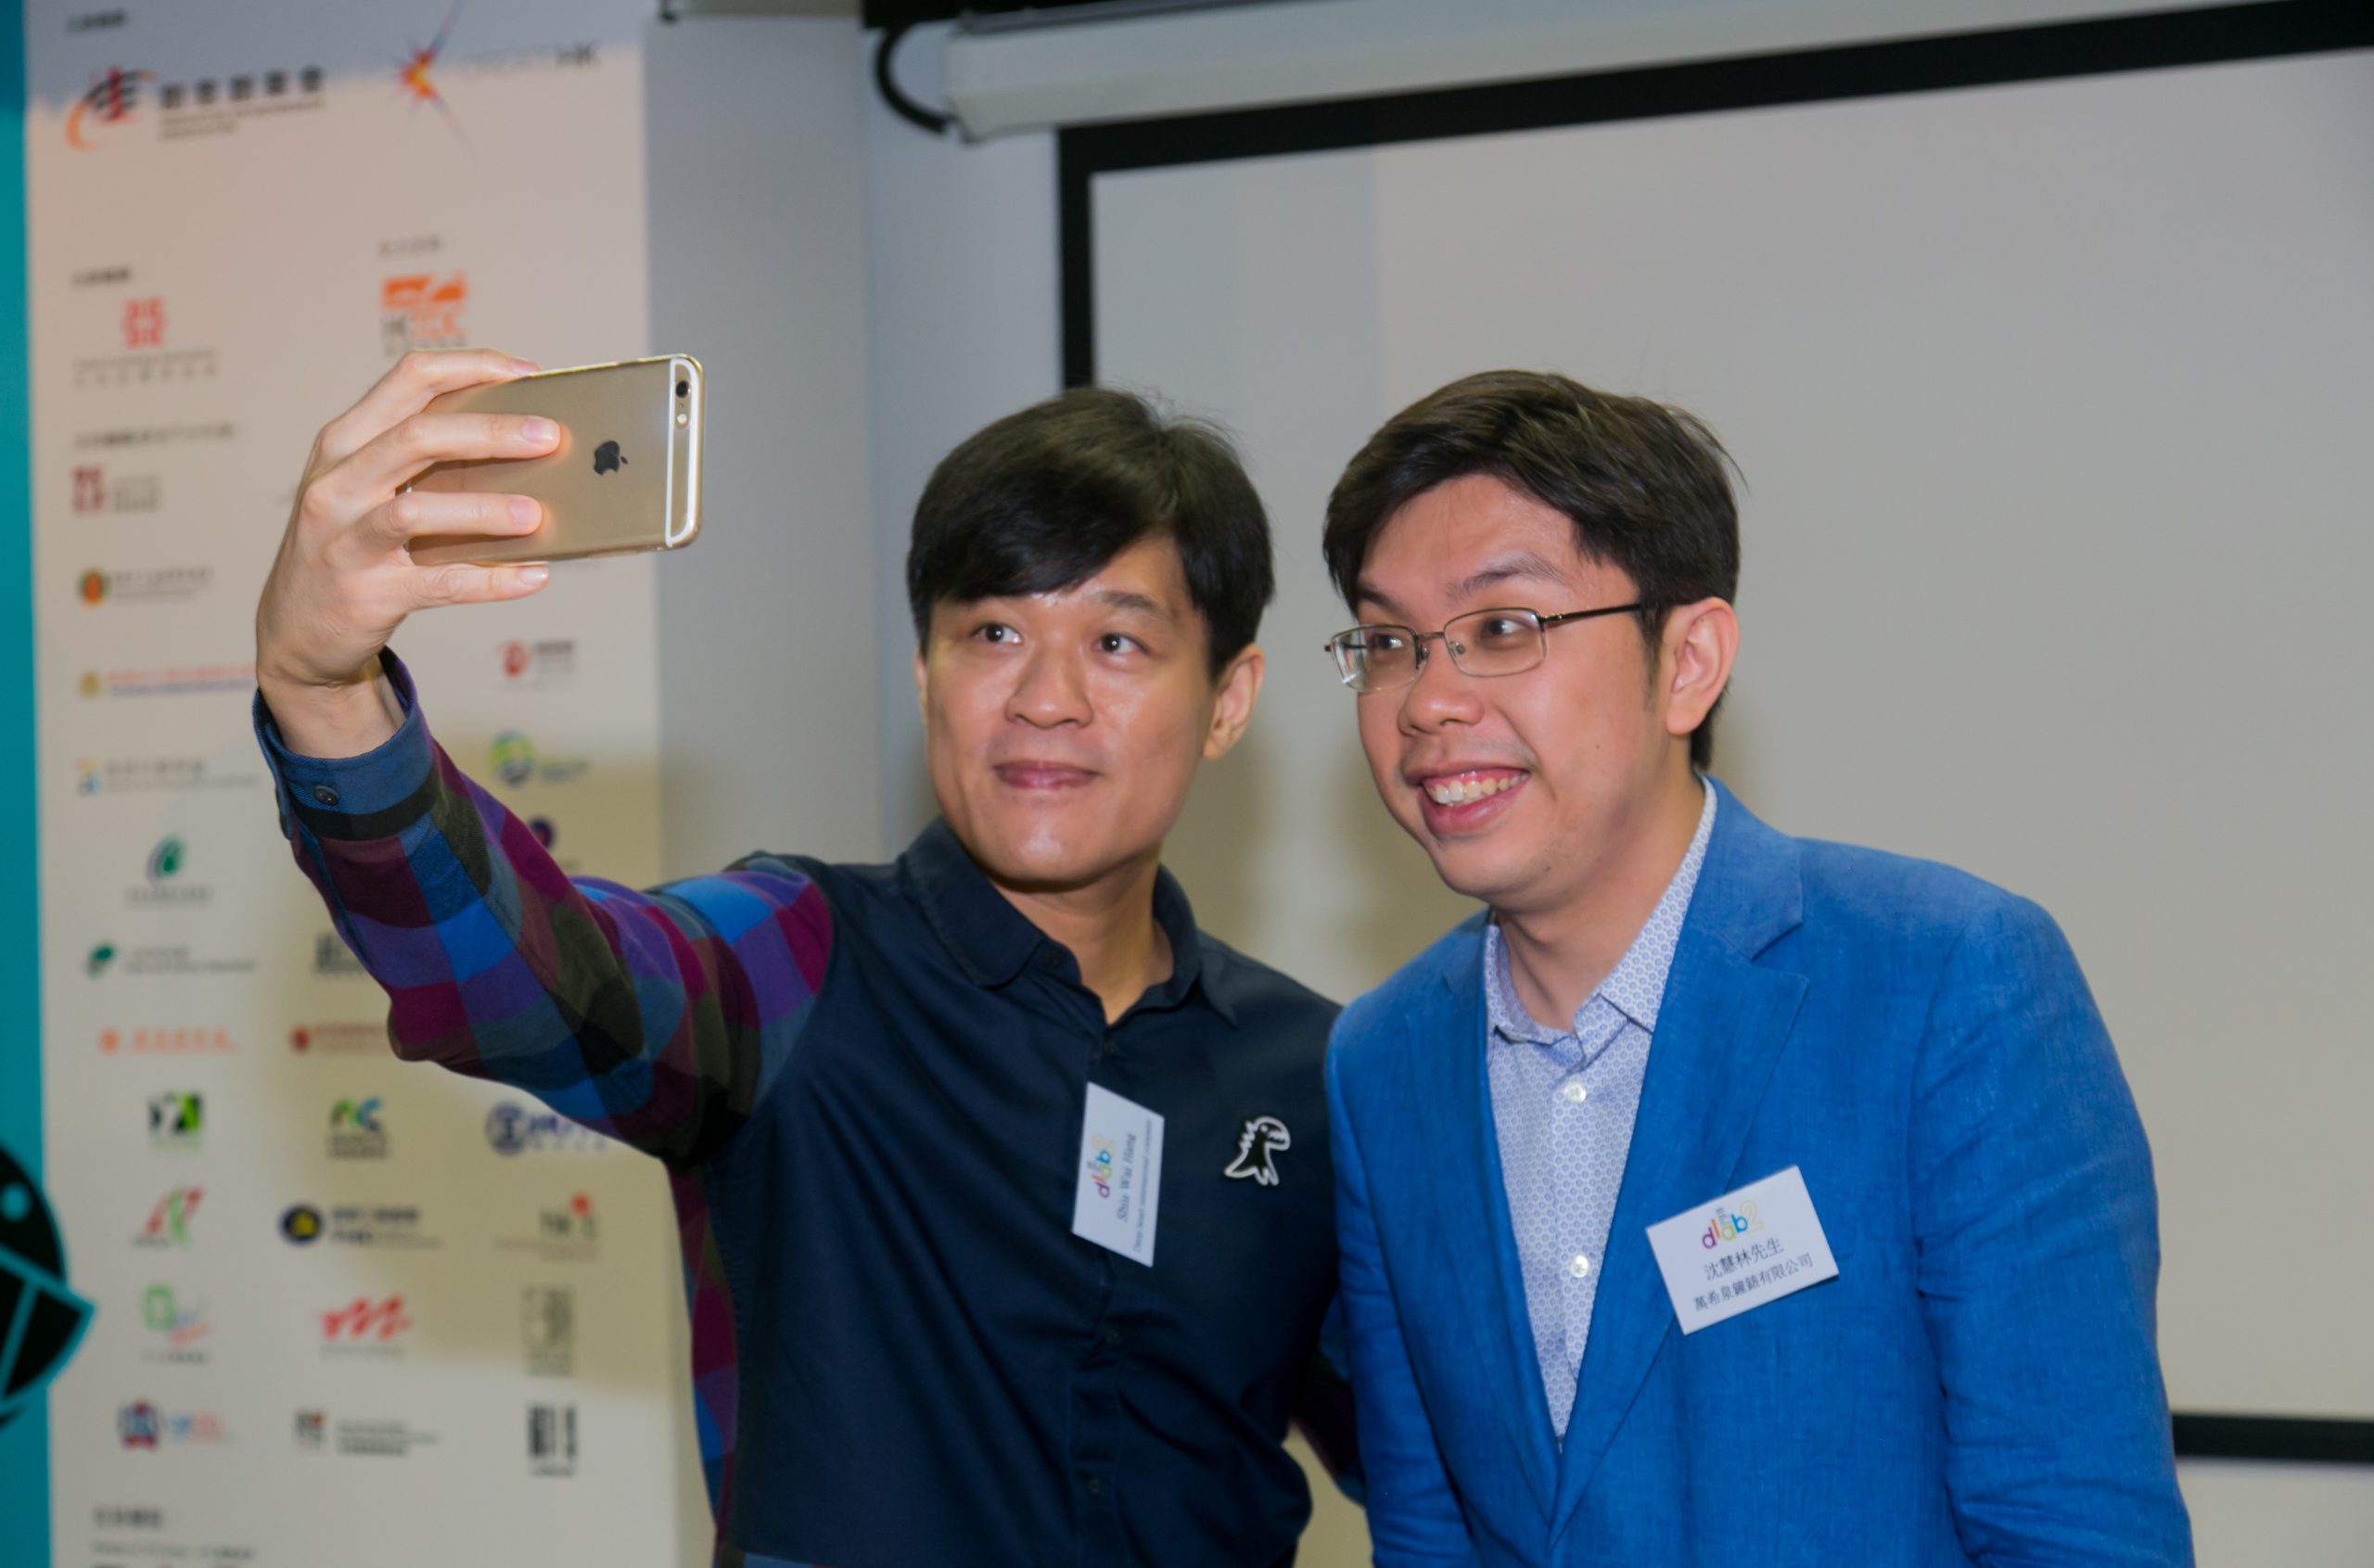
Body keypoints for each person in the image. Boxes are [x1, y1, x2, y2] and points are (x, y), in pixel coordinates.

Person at [252, 350, 1354, 1567]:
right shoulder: (797, 957)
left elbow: (1446, 1456)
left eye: (1118, 643)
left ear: (1228, 699)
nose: (1046, 698)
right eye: (993, 631)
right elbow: (531, 978)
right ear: (926, 674)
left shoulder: (1318, 1072)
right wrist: (325, 693)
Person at [1318, 370, 2190, 1565]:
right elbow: (1427, 1534)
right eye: (1388, 643)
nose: (1428, 701)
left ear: (1688, 660)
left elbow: (2077, 1530)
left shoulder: (1947, 982)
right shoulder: (1382, 1059)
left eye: (1503, 630)